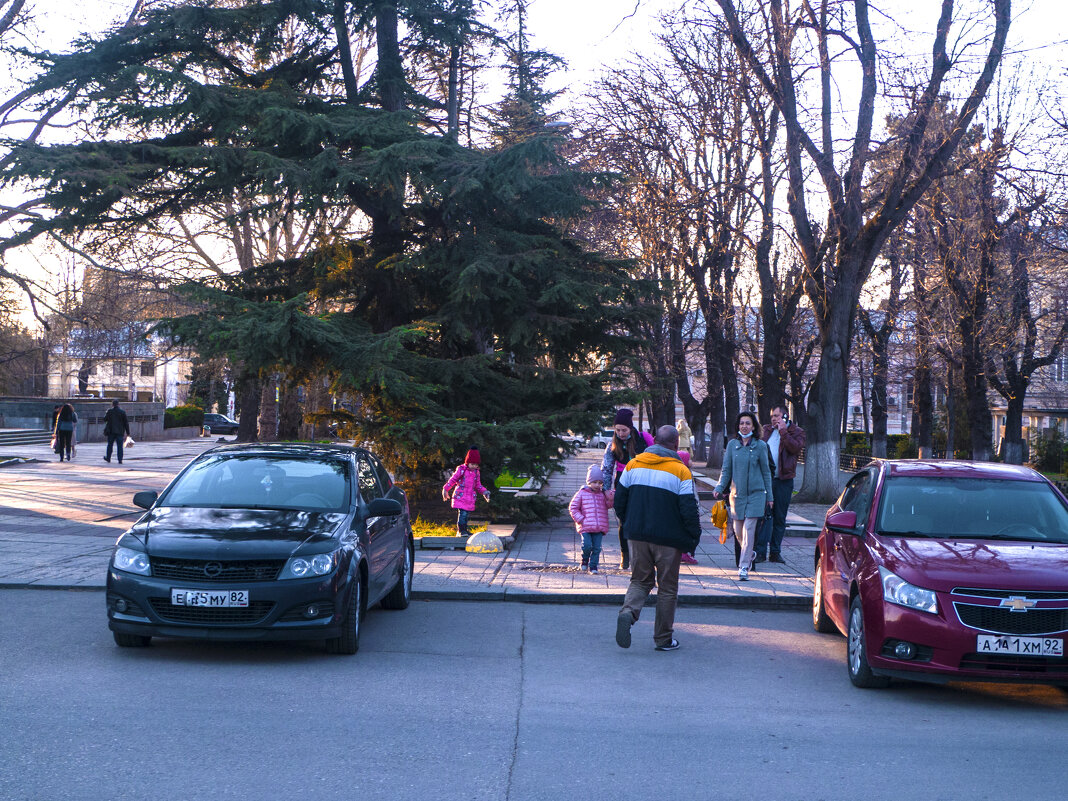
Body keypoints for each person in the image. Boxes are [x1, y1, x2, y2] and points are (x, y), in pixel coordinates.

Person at [614, 425, 701, 652]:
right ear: (674, 445)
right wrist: (693, 538)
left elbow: (619, 501)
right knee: (667, 588)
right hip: (668, 540)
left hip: (637, 535)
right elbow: (689, 510)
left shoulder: (633, 464)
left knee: (640, 581)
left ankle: (628, 613)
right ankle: (663, 639)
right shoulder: (680, 471)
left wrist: (629, 524)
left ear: (654, 441)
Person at [713, 411, 772, 581]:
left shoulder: (761, 446)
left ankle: (744, 566)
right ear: (738, 426)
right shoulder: (732, 445)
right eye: (741, 423)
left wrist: (770, 497)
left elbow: (766, 472)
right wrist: (719, 487)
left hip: (756, 495)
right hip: (736, 496)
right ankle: (750, 552)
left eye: (748, 423)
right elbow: (726, 469)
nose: (744, 426)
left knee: (749, 529)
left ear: (754, 426)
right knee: (738, 531)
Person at [601, 408, 654, 570]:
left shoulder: (643, 439)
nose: (621, 433)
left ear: (630, 428)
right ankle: (625, 555)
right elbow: (607, 468)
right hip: (622, 486)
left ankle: (644, 556)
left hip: (642, 485)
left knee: (643, 520)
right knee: (623, 522)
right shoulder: (613, 444)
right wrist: (605, 489)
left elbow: (656, 457)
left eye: (624, 430)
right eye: (617, 430)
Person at [756, 405, 806, 564]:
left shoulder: (796, 432)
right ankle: (760, 552)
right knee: (763, 516)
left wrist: (783, 431)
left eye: (777, 416)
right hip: (765, 481)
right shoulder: (766, 430)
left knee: (779, 517)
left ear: (785, 416)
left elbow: (795, 448)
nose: (773, 419)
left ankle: (775, 552)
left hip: (784, 481)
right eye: (772, 416)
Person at [568, 464, 614, 574]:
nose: (597, 485)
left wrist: (611, 497)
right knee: (587, 546)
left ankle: (593, 566)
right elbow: (573, 507)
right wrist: (581, 519)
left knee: (597, 548)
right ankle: (584, 560)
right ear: (589, 482)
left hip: (599, 526)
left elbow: (609, 505)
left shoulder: (602, 494)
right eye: (595, 482)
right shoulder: (582, 493)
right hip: (586, 526)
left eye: (600, 483)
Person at [442, 448, 491, 537]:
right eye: (472, 464)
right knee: (463, 514)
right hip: (460, 496)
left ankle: (464, 530)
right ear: (467, 462)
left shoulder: (476, 472)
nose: (474, 466)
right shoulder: (461, 470)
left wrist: (485, 492)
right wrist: (446, 489)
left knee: (466, 514)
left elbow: (478, 485)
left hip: (470, 498)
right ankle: (461, 530)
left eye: (476, 464)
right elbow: (453, 480)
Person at [677, 450, 699, 565]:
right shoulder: (685, 473)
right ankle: (684, 553)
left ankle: (683, 553)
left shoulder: (685, 472)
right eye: (689, 459)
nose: (691, 461)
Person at [103, 399, 131, 464]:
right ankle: (120, 459)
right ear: (118, 404)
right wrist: (128, 433)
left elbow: (104, 419)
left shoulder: (110, 411)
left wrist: (106, 413)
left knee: (110, 445)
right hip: (120, 432)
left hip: (111, 431)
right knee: (120, 446)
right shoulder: (122, 412)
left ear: (112, 405)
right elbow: (126, 423)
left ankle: (108, 458)